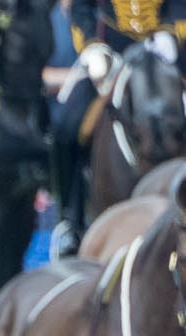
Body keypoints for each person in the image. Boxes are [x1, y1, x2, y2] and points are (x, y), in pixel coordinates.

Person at [48, 0, 186, 253]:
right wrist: (92, 45)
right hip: (114, 56)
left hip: (169, 52)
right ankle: (71, 221)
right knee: (65, 126)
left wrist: (172, 30)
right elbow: (82, 7)